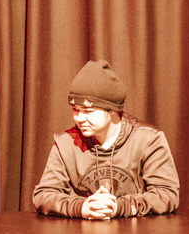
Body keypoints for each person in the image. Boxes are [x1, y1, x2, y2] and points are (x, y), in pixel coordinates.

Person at [33, 59, 180, 219]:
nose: (79, 118)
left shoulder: (148, 140)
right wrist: (82, 207)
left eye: (88, 110)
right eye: (75, 109)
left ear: (112, 110)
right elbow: (44, 195)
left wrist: (119, 207)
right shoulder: (66, 143)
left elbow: (167, 194)